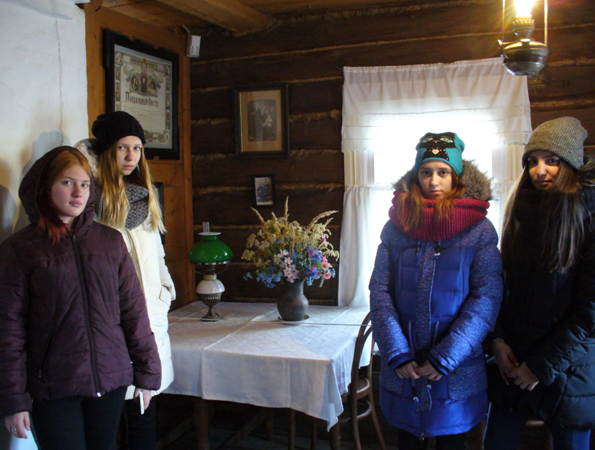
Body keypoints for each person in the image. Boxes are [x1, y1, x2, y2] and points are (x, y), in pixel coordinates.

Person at [0, 146, 161, 450]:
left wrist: (148, 373)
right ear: (45, 187)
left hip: (110, 380)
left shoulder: (110, 242)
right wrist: (13, 399)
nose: (78, 193)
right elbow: (8, 330)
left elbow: (133, 312)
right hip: (53, 387)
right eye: (67, 182)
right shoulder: (20, 250)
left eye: (85, 184)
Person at [369, 132, 503, 449]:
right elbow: (380, 291)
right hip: (405, 366)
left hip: (455, 368)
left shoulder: (479, 230)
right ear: (417, 175)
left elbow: (486, 298)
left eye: (443, 172)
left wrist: (446, 357)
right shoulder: (396, 227)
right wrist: (396, 352)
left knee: (452, 443)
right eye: (426, 172)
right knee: (407, 441)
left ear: (455, 176)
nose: (433, 181)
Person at [483, 117, 595, 450]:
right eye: (532, 161)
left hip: (569, 368)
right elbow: (502, 290)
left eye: (552, 161)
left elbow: (591, 310)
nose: (539, 170)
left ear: (571, 165)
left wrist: (540, 366)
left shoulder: (589, 217)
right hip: (514, 363)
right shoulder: (520, 212)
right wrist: (497, 341)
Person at [89, 111, 175, 450]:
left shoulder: (145, 196)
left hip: (151, 317)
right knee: (108, 417)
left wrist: (165, 291)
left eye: (137, 148)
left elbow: (158, 255)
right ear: (107, 151)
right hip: (112, 321)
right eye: (122, 148)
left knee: (144, 412)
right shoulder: (92, 200)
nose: (131, 156)